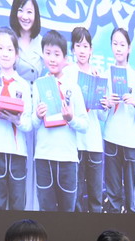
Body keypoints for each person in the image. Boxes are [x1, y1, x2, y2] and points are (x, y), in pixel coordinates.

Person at [32, 30, 89, 212]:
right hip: (43, 158)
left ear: (65, 58)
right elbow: (32, 124)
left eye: (57, 54)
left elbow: (85, 125)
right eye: (48, 53)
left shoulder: (74, 87)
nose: (52, 59)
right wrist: (37, 115)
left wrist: (71, 119)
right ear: (43, 55)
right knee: (46, 212)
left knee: (67, 213)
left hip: (67, 159)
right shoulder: (39, 85)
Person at [0, 27, 33, 210]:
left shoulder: (23, 85)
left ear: (16, 54)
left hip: (18, 152)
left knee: (17, 205)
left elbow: (28, 124)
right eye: (1, 48)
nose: (5, 53)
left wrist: (16, 120)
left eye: (10, 49)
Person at [102, 28, 135, 214]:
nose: (118, 48)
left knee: (131, 199)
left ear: (129, 48)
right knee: (113, 196)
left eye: (122, 44)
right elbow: (100, 115)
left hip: (131, 143)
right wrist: (107, 104)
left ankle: (132, 229)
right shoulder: (105, 75)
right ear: (111, 46)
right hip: (111, 139)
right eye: (115, 44)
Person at [67, 26, 108, 213]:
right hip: (74, 142)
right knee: (75, 196)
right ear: (73, 49)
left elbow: (102, 116)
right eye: (78, 45)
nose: (82, 50)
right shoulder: (68, 73)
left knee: (95, 196)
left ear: (91, 50)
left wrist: (105, 105)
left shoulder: (99, 75)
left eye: (85, 46)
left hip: (93, 142)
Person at [10, 0, 44, 210]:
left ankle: (33, 211)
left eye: (29, 11)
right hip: (12, 107)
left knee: (34, 162)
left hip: (35, 110)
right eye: (20, 10)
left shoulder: (42, 42)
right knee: (13, 161)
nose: (24, 16)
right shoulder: (8, 38)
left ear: (36, 15)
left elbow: (61, 66)